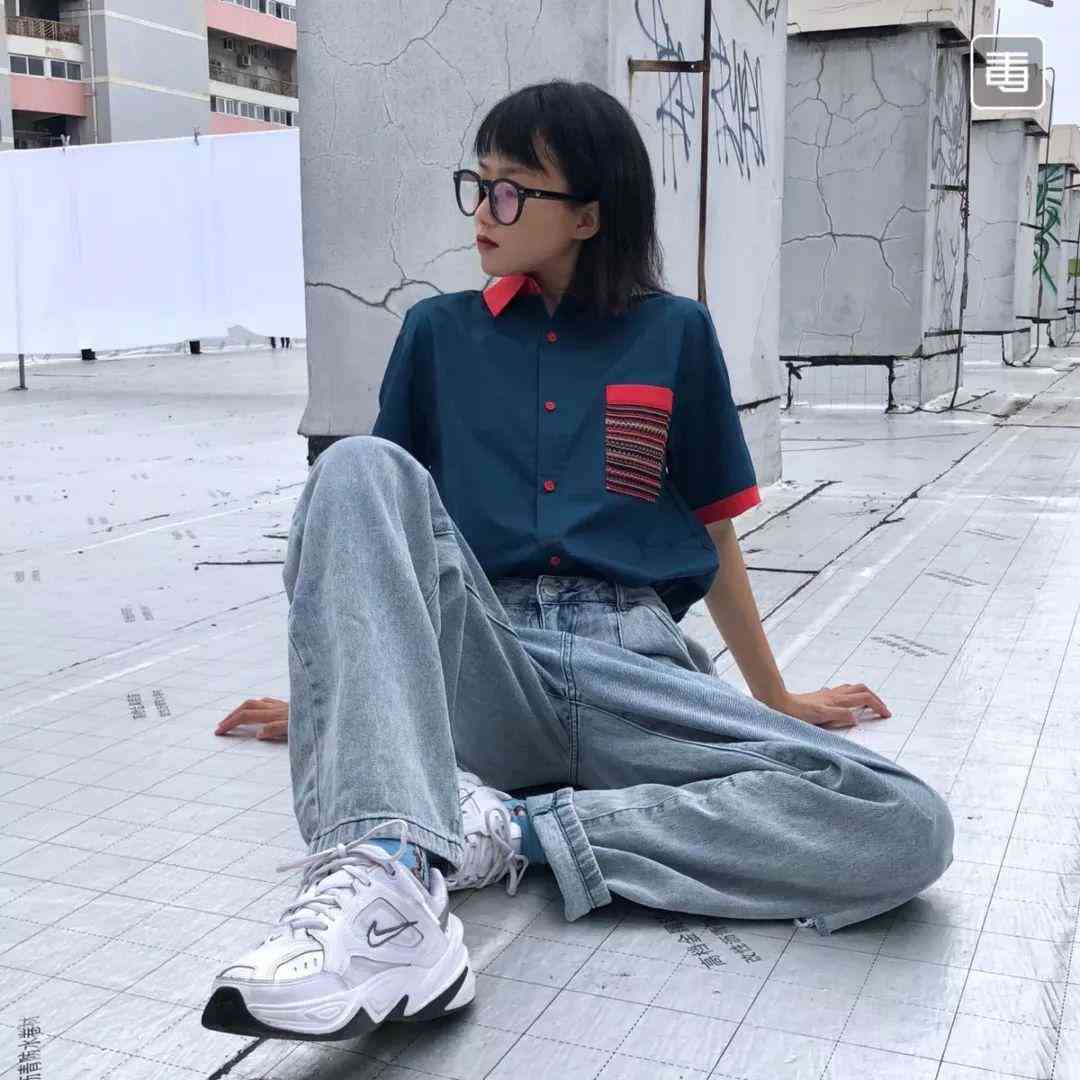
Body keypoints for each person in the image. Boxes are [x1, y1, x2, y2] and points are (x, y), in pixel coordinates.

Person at [202, 80, 954, 1042]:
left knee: (901, 820)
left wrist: (775, 696)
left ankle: (506, 832)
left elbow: (715, 529)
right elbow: (380, 528)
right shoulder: (438, 333)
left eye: (511, 190)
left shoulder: (673, 334)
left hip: (631, 663)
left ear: (588, 216)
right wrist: (340, 692)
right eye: (478, 183)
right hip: (486, 656)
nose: (483, 210)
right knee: (354, 466)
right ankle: (391, 882)